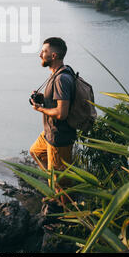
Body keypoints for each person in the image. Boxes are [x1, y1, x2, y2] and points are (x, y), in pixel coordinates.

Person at [29, 37, 76, 202]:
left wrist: (39, 108)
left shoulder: (61, 79)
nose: (40, 54)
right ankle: (55, 180)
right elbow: (57, 102)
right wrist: (43, 99)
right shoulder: (57, 74)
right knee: (36, 152)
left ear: (54, 55)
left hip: (59, 137)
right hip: (50, 133)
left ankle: (65, 216)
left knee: (60, 183)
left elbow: (62, 113)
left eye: (44, 52)